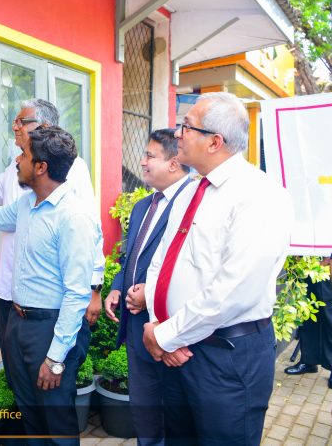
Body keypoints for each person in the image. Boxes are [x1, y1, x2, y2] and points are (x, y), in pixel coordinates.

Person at [142, 92, 293, 445]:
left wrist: (167, 335)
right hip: (178, 351)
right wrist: (161, 326)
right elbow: (160, 263)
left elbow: (235, 290)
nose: (177, 134)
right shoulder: (191, 191)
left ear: (214, 141)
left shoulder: (259, 195)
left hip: (226, 359)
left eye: (186, 126)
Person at [0, 126, 99, 445]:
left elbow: (77, 294)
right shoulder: (27, 204)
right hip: (19, 323)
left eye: (24, 155)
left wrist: (55, 358)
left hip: (50, 329)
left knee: (56, 422)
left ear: (41, 167)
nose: (17, 160)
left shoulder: (73, 217)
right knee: (29, 413)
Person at [103, 128, 190, 445]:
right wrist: (117, 286)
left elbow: (189, 268)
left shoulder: (191, 205)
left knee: (174, 418)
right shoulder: (143, 206)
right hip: (136, 327)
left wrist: (149, 295)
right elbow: (129, 256)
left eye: (150, 156)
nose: (142, 162)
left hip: (170, 330)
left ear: (173, 163)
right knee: (145, 412)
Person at [284, 272, 332, 390]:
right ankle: (308, 360)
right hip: (306, 268)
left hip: (327, 269)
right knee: (306, 316)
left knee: (331, 318)